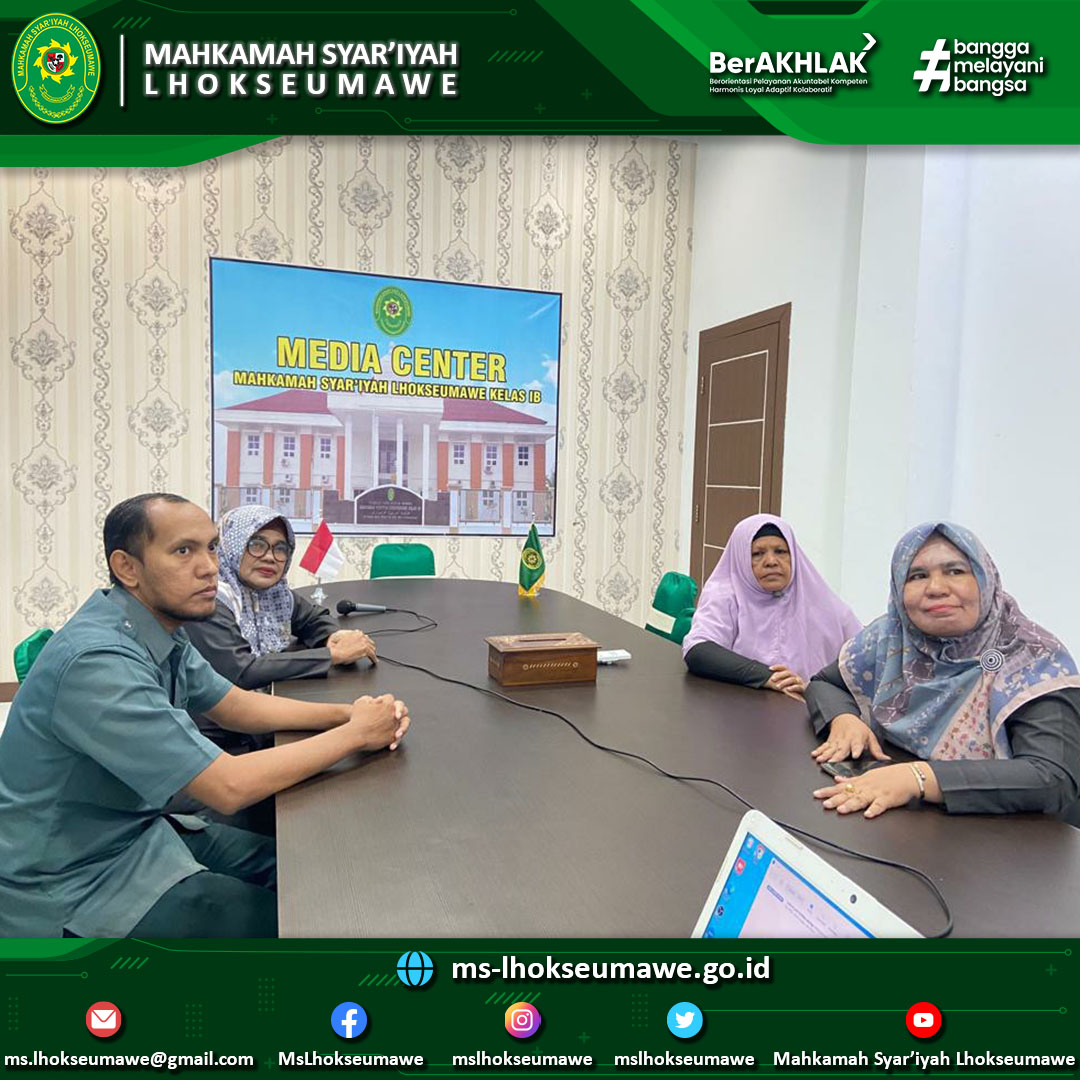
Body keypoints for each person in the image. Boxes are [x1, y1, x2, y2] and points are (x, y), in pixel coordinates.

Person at [0, 494, 410, 938]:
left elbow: (235, 704)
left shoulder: (157, 628)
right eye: (183, 551)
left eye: (212, 547)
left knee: (316, 875)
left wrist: (349, 714)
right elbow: (228, 787)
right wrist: (355, 735)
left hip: (138, 831)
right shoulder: (98, 661)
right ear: (127, 568)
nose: (210, 567)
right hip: (72, 880)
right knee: (301, 922)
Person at [809, 522, 1080, 823]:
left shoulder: (1032, 657)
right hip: (908, 823)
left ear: (985, 579)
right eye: (918, 576)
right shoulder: (892, 637)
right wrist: (844, 719)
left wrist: (919, 778)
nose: (936, 588)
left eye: (955, 571)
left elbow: (1051, 776)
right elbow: (825, 683)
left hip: (1006, 835)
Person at [184, 505, 377, 751]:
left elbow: (312, 618)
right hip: (217, 741)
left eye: (280, 548)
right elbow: (242, 671)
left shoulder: (275, 594)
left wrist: (335, 636)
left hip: (259, 721)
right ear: (232, 545)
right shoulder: (210, 599)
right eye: (257, 544)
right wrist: (332, 655)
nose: (270, 557)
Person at [682, 514, 861, 700]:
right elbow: (698, 650)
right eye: (757, 554)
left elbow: (865, 660)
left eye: (780, 551)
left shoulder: (822, 601)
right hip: (741, 705)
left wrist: (813, 690)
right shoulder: (725, 594)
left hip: (810, 706)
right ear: (741, 558)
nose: (771, 561)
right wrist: (767, 677)